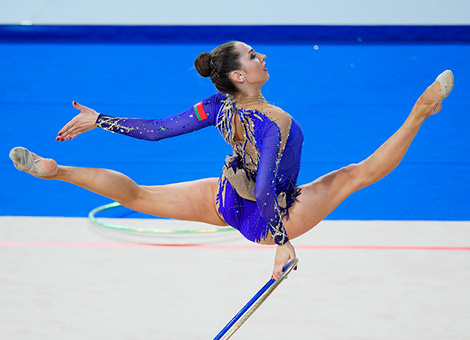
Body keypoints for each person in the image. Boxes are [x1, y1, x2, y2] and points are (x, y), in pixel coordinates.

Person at [9, 41, 454, 280]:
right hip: (272, 213)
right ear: (240, 75)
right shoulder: (274, 121)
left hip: (225, 199)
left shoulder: (218, 106)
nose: (263, 57)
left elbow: (158, 130)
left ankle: (58, 171)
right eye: (254, 55)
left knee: (140, 195)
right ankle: (419, 112)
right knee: (354, 175)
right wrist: (281, 242)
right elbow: (264, 190)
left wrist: (100, 119)